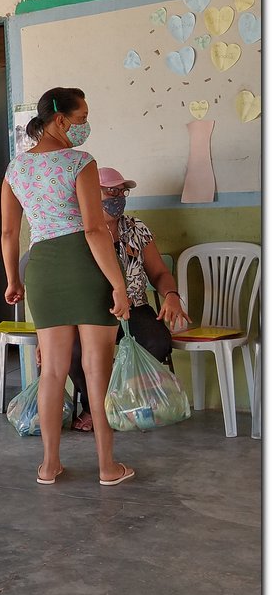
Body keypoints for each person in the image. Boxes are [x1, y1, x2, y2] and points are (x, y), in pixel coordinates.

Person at [1, 87, 135, 487]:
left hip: (42, 272)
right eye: (81, 118)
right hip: (85, 267)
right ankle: (108, 467)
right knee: (97, 371)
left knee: (52, 372)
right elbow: (94, 230)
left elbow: (9, 233)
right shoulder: (81, 162)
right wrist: (119, 286)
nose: (84, 126)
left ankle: (48, 465)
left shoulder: (15, 169)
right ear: (60, 120)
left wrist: (13, 279)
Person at [67, 167, 191, 432]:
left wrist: (170, 295)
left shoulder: (136, 228)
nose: (118, 196)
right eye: (110, 191)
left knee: (156, 341)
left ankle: (129, 404)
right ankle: (95, 408)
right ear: (89, 194)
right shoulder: (74, 231)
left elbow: (158, 273)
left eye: (123, 191)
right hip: (91, 312)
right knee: (74, 352)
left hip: (134, 307)